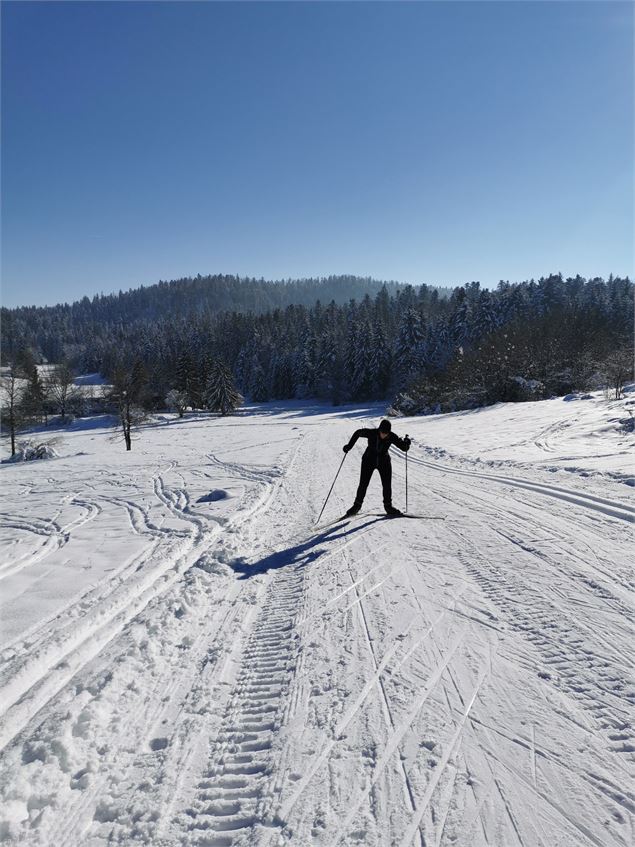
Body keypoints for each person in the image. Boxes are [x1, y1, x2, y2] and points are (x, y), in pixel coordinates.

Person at [343, 419, 410, 516]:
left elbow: (404, 448)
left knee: (387, 485)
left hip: (384, 462)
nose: (384, 435)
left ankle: (388, 507)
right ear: (379, 429)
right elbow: (357, 433)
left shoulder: (392, 436)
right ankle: (356, 506)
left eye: (386, 433)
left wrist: (407, 443)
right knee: (363, 484)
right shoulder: (371, 433)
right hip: (368, 460)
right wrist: (349, 446)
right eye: (382, 432)